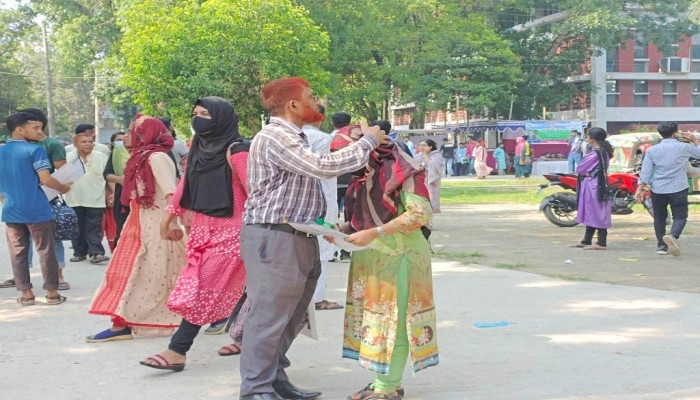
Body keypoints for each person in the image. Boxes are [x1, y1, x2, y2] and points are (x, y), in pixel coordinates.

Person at [239, 77, 385, 400]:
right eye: (311, 96)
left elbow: (323, 159)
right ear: (293, 105)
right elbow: (321, 167)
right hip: (274, 236)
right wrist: (369, 142)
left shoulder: (299, 136)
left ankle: (274, 378)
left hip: (298, 234)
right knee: (268, 317)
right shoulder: (275, 136)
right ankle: (255, 389)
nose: (317, 102)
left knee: (290, 316)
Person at [139, 96, 250, 371]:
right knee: (249, 289)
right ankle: (246, 338)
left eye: (206, 114)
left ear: (222, 118)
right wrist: (168, 220)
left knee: (203, 289)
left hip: (234, 232)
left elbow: (257, 193)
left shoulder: (239, 150)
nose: (198, 119)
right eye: (196, 113)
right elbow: (185, 186)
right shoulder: (198, 148)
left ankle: (178, 350)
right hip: (203, 230)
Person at [330, 125, 439, 400]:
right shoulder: (365, 176)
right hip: (373, 256)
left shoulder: (403, 170)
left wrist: (374, 232)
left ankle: (386, 387)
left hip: (400, 256)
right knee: (376, 322)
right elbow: (365, 217)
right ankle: (386, 378)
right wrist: (342, 230)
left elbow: (418, 214)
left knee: (396, 320)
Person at [87, 115, 186, 342]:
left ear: (148, 134)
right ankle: (121, 323)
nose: (130, 135)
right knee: (135, 270)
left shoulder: (157, 157)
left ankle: (125, 323)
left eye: (135, 131)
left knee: (155, 272)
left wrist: (169, 223)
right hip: (141, 219)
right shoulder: (141, 156)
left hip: (159, 221)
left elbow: (172, 193)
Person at [0, 112, 71, 306]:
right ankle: (52, 294)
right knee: (46, 251)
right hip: (37, 209)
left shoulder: (1, 151)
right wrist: (63, 187)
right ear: (20, 130)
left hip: (11, 210)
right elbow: (46, 179)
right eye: (36, 127)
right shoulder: (35, 150)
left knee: (18, 253)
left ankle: (26, 294)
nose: (40, 131)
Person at [18, 108, 71, 290]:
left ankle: (58, 274)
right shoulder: (15, 146)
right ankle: (22, 278)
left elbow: (63, 173)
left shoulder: (51, 145)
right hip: (22, 197)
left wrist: (60, 188)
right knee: (22, 238)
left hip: (47, 197)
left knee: (52, 237)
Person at [634, 122, 700, 256]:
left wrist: (639, 189)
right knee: (680, 216)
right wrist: (694, 140)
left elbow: (646, 172)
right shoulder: (683, 147)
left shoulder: (652, 150)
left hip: (658, 188)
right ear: (675, 133)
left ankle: (661, 247)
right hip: (678, 187)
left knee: (659, 217)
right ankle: (673, 236)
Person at [302, 105, 342, 311]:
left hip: (297, 203)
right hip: (323, 200)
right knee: (323, 248)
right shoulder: (324, 140)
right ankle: (317, 298)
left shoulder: (289, 137)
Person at [65, 128, 110, 264]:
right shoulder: (68, 157)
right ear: (76, 144)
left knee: (94, 226)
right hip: (74, 197)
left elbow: (107, 176)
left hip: (95, 197)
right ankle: (79, 253)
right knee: (76, 226)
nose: (88, 144)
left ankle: (96, 253)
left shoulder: (101, 156)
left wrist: (110, 193)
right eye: (83, 142)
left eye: (90, 142)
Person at [570, 127, 613, 250]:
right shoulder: (603, 151)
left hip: (593, 185)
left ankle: (601, 242)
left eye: (587, 136)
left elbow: (580, 168)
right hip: (595, 184)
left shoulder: (595, 153)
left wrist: (587, 173)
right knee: (592, 212)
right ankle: (587, 240)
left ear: (593, 138)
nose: (586, 138)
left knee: (597, 212)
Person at [331, 111, 353, 262]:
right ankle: (346, 251)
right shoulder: (355, 138)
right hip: (352, 181)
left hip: (333, 182)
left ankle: (332, 250)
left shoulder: (329, 138)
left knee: (333, 216)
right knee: (349, 216)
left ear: (333, 123)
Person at [103, 132, 130, 249]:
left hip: (145, 203)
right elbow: (107, 174)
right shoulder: (118, 151)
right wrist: (121, 180)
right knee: (123, 231)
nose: (125, 137)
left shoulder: (155, 153)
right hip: (123, 200)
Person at [418, 139, 443, 216]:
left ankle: (429, 221)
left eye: (424, 145)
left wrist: (425, 155)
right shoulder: (418, 156)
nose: (421, 147)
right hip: (420, 180)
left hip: (431, 182)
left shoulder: (437, 156)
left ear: (430, 147)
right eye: (420, 145)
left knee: (430, 199)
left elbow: (432, 166)